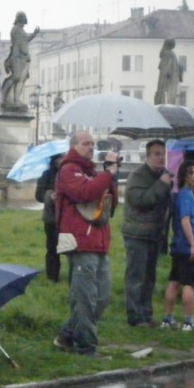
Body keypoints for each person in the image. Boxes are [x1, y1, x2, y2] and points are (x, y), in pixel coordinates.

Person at [53, 131, 119, 358]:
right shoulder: (68, 170)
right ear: (74, 146)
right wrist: (107, 175)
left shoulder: (92, 172)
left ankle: (67, 335)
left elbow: (111, 204)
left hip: (98, 241)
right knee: (84, 299)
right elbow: (84, 192)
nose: (91, 147)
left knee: (102, 297)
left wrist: (111, 177)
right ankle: (86, 348)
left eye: (92, 143)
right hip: (80, 243)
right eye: (85, 143)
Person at [121, 140, 173, 327]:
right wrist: (161, 184)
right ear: (148, 156)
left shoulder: (163, 175)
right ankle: (135, 317)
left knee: (150, 277)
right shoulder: (137, 176)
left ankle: (146, 314)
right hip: (137, 233)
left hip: (154, 233)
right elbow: (141, 201)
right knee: (136, 277)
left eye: (164, 154)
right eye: (157, 154)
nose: (161, 158)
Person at [161, 159, 194, 332]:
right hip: (186, 247)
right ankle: (189, 321)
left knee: (174, 281)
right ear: (184, 176)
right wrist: (193, 244)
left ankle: (168, 318)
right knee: (189, 284)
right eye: (191, 173)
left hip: (178, 246)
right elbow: (185, 220)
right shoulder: (186, 195)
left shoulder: (186, 195)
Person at [0, 11, 40, 109]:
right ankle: (3, 96)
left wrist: (34, 34)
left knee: (21, 79)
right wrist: (24, 52)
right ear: (19, 19)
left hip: (23, 58)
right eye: (22, 18)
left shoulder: (21, 30)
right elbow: (19, 44)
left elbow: (25, 42)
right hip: (17, 57)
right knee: (16, 77)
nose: (24, 20)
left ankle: (16, 99)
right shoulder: (16, 29)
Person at [35, 154, 64, 282]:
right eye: (59, 158)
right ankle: (52, 275)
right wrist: (49, 195)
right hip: (51, 216)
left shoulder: (69, 173)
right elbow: (38, 195)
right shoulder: (46, 175)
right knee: (52, 247)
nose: (62, 160)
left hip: (66, 215)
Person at [154, 38, 183, 105]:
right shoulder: (172, 54)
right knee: (170, 96)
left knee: (163, 95)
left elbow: (165, 67)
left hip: (166, 80)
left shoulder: (167, 53)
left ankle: (162, 101)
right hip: (171, 79)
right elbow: (178, 67)